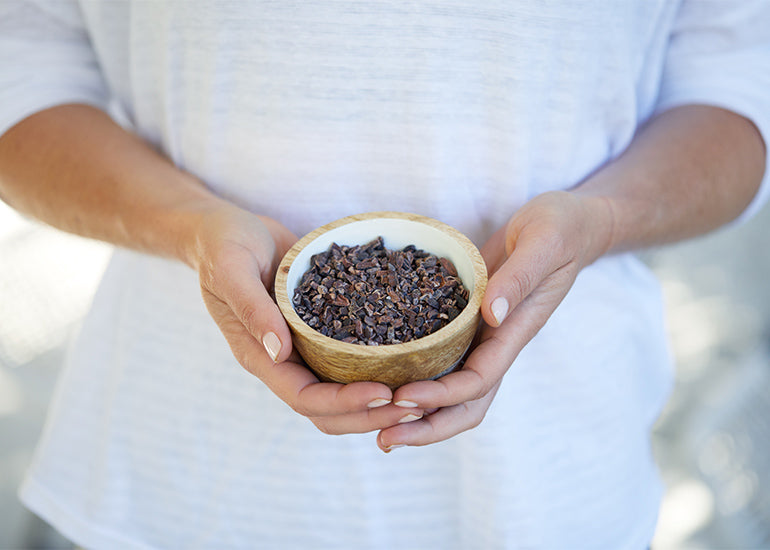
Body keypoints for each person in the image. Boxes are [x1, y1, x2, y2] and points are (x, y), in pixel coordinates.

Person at [1, 1, 768, 548]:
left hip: (550, 481)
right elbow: (22, 80)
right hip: (176, 482)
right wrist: (188, 226)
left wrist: (602, 217)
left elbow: (739, 97)